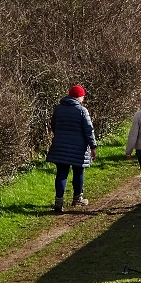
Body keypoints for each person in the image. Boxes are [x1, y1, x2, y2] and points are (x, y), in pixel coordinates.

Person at [46, 85, 97, 213]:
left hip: (60, 145)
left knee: (61, 173)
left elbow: (53, 125)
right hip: (78, 148)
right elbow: (88, 130)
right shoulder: (82, 110)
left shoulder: (58, 109)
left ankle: (59, 201)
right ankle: (77, 198)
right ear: (80, 96)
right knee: (78, 172)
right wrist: (93, 146)